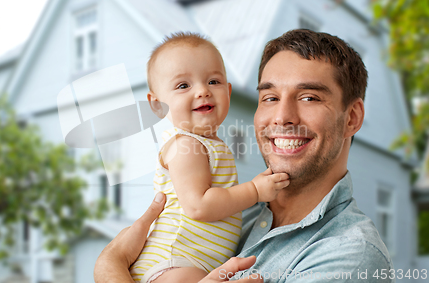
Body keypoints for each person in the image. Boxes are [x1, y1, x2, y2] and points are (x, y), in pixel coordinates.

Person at [94, 29, 394, 283]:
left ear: (352, 118)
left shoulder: (351, 254)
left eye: (308, 97)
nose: (282, 117)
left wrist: (111, 265)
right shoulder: (240, 212)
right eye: (270, 98)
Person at [130, 32, 290, 283]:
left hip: (193, 265)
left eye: (213, 81)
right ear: (157, 105)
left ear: (228, 91)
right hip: (172, 264)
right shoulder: (184, 145)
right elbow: (199, 205)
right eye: (184, 85)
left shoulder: (208, 144)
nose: (203, 91)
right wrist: (254, 191)